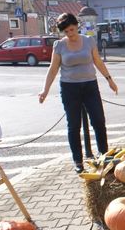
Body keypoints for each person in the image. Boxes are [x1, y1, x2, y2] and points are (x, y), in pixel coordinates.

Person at [38, 13, 118, 173]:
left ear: (77, 26)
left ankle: (104, 156)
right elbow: (53, 69)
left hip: (90, 86)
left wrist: (109, 79)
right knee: (74, 126)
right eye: (66, 32)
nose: (70, 34)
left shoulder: (88, 41)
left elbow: (97, 61)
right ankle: (78, 161)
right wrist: (45, 90)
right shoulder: (59, 45)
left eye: (72, 30)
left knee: (98, 121)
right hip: (70, 89)